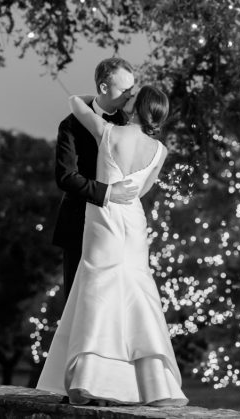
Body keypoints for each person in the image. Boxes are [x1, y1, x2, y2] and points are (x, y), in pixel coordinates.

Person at [37, 85, 188, 407]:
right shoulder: (160, 150)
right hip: (133, 222)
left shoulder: (108, 132)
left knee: (98, 290)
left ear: (136, 106)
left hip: (105, 219)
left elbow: (76, 104)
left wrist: (109, 95)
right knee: (135, 294)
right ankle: (154, 384)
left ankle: (89, 380)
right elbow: (141, 191)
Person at [53, 57, 139, 302]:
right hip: (78, 225)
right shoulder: (70, 125)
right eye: (124, 90)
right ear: (103, 87)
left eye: (132, 90)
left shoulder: (130, 124)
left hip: (117, 228)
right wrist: (109, 192)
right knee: (78, 300)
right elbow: (65, 177)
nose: (129, 96)